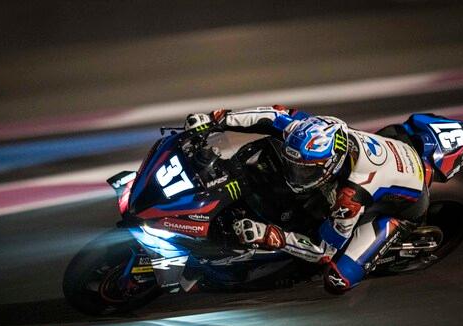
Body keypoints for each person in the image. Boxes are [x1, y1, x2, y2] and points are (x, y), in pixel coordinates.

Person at [184, 105, 429, 293]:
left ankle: (392, 231)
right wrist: (217, 119)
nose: (295, 173)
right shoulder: (310, 130)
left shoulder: (350, 197)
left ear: (330, 164)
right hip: (392, 148)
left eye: (305, 170)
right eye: (293, 165)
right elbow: (272, 115)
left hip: (406, 206)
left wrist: (273, 235)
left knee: (337, 280)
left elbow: (323, 251)